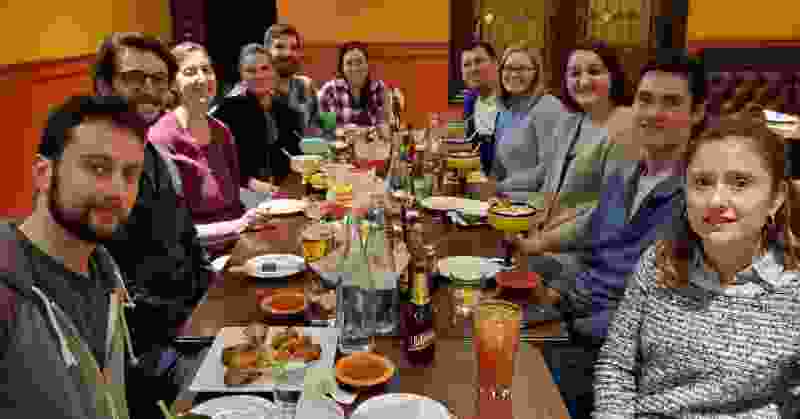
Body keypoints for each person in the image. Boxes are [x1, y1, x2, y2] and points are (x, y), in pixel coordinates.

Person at [513, 50, 708, 419]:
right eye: (645, 100)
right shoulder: (624, 176)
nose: (653, 113)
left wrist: (565, 319)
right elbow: (592, 244)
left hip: (612, 353)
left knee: (512, 388)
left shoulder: (700, 200)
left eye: (671, 103)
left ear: (697, 112)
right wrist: (554, 291)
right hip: (573, 316)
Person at [594, 116, 800, 418]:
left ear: (776, 198)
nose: (716, 200)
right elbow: (616, 365)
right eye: (702, 182)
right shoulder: (659, 261)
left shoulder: (794, 288)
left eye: (740, 183)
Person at [0, 95, 147, 419]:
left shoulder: (107, 275)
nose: (118, 191)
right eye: (98, 168)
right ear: (44, 173)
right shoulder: (8, 292)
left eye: (130, 174)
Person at [148, 41, 272, 257]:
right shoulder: (161, 138)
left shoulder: (221, 131)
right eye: (190, 72)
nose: (202, 78)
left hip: (239, 245)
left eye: (206, 70)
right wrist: (238, 226)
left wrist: (262, 210)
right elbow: (173, 231)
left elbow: (236, 201)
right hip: (197, 259)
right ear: (172, 83)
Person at [531, 40, 635, 257]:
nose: (584, 81)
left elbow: (609, 211)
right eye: (574, 74)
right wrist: (514, 212)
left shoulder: (626, 125)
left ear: (613, 76)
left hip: (589, 256)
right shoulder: (569, 121)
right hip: (545, 242)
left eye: (594, 72)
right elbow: (548, 191)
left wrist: (543, 242)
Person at [212, 43, 303, 185]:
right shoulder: (226, 112)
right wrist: (251, 183)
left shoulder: (288, 113)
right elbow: (216, 163)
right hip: (243, 191)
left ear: (274, 71)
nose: (259, 76)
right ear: (241, 74)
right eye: (251, 71)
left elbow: (297, 158)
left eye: (265, 68)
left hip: (285, 191)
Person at [491, 42, 566, 200]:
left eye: (522, 69)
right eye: (508, 68)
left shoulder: (547, 106)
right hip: (506, 200)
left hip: (536, 203)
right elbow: (499, 169)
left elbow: (547, 171)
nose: (514, 74)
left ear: (536, 73)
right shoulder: (506, 109)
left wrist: (498, 187)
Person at [264, 23, 321, 134]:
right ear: (266, 52)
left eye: (293, 48)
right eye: (279, 47)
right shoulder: (253, 90)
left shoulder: (306, 86)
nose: (288, 53)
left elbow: (317, 130)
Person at [318, 41, 388, 128]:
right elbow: (323, 129)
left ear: (367, 65)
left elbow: (386, 126)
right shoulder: (329, 91)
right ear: (342, 68)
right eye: (349, 63)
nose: (355, 68)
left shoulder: (379, 89)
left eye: (359, 62)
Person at [461, 40, 501, 174]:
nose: (473, 69)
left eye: (478, 61)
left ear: (495, 64)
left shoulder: (514, 101)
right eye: (466, 65)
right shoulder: (469, 100)